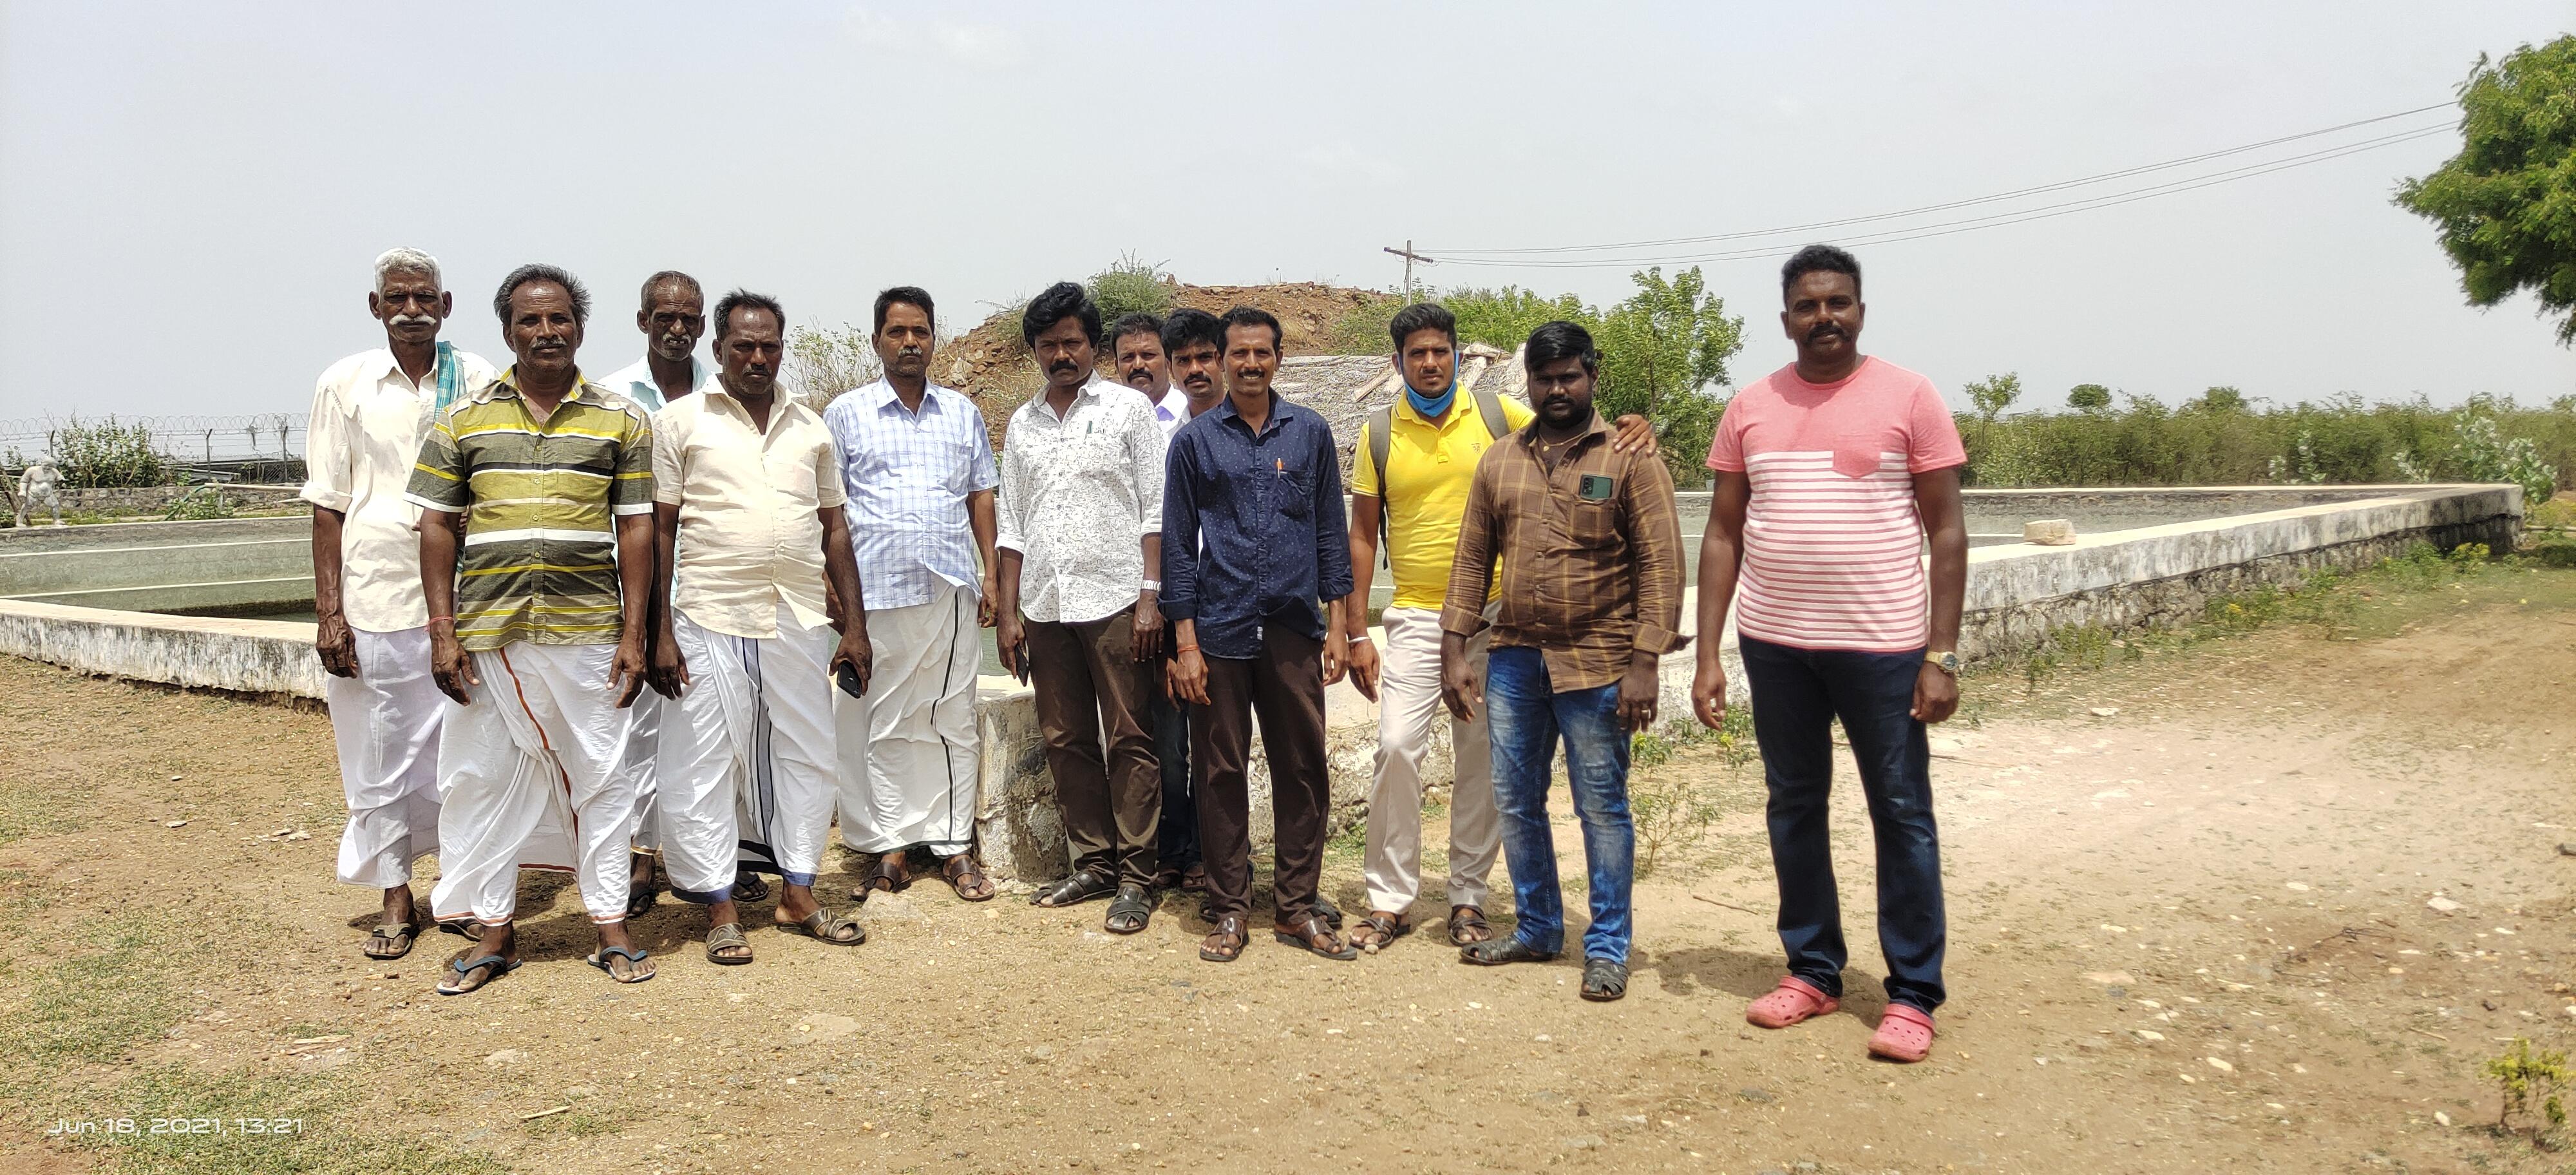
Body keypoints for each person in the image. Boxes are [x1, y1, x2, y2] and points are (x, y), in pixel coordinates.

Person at [1689, 244, 1966, 1064]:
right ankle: (1812, 970)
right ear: (1786, 320)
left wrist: (1942, 654)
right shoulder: (1750, 406)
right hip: (1775, 646)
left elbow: (1948, 531)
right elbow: (1723, 532)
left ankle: (1912, 992)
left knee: (1900, 810)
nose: (1824, 318)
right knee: (1794, 805)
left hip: (1883, 649)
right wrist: (1707, 653)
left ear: (1860, 311)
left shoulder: (1910, 397)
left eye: (1838, 303)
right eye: (1808, 306)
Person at [1342, 303, 1661, 953]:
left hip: (1499, 619)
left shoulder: (1496, 417)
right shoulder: (1377, 434)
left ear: (1458, 356)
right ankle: (1390, 898)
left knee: (1481, 760)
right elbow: (1361, 536)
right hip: (1417, 616)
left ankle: (1467, 897)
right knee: (1396, 748)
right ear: (1397, 362)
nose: (1430, 363)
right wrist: (1354, 631)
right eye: (1416, 353)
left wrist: (1632, 427)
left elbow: (1568, 422)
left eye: (1441, 351)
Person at [410, 263, 659, 993]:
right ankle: (495, 930)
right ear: (508, 330)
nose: (546, 332)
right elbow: (436, 527)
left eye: (559, 319)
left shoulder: (621, 420)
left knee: (603, 777)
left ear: (579, 328)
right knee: (483, 780)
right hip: (490, 634)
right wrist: (441, 630)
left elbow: (637, 530)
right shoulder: (461, 420)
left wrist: (636, 634)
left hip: (590, 631)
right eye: (530, 320)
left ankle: (610, 924)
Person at [1439, 320, 1688, 1003]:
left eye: (1569, 377)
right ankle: (1539, 928)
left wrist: (1645, 663)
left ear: (1592, 377)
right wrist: (1453, 650)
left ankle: (1606, 948)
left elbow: (1662, 564)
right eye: (1544, 378)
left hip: (1599, 662)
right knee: (1516, 801)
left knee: (1601, 807)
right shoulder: (1500, 460)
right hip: (1516, 657)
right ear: (1529, 382)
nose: (1556, 389)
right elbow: (1471, 560)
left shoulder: (1631, 458)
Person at [648, 291, 875, 963]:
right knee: (703, 762)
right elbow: (660, 529)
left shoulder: (810, 427)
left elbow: (835, 529)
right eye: (743, 346)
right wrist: (658, 631)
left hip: (797, 615)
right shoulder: (680, 421)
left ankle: (798, 891)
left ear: (781, 350)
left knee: (809, 753)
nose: (756, 358)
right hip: (707, 613)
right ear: (718, 348)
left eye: (769, 346)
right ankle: (720, 907)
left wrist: (855, 628)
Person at [303, 246, 497, 960]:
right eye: (397, 298)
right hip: (377, 590)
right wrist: (330, 613)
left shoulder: (478, 378)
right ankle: (394, 890)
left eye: (424, 298)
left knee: (466, 745)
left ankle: (460, 887)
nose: (411, 310)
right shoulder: (344, 383)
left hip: (469, 590)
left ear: (445, 306)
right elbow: (328, 504)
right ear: (376, 307)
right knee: (378, 745)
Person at [1162, 305, 1362, 963]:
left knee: (1302, 768)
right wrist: (1185, 644)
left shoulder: (1309, 433)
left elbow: (1331, 534)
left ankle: (1296, 907)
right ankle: (1229, 908)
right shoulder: (1194, 443)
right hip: (1217, 631)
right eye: (1238, 354)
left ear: (1279, 359)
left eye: (1262, 353)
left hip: (1292, 629)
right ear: (1221, 361)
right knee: (1220, 772)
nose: (1250, 364)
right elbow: (1179, 551)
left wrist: (1340, 627)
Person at [996, 285, 1167, 933]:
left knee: (1129, 737)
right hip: (1046, 603)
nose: (1061, 355)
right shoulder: (1023, 423)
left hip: (1117, 599)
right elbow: (1012, 522)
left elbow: (1155, 508)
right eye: (1048, 345)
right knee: (1065, 738)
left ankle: (1138, 876)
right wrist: (1008, 613)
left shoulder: (1128, 410)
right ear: (1035, 351)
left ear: (1093, 345)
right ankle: (1093, 863)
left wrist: (1150, 595)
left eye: (1072, 342)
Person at [824, 286, 1003, 903]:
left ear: (933, 339)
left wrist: (991, 574)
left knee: (949, 715)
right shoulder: (846, 413)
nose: (909, 343)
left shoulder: (961, 412)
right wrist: (832, 588)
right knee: (876, 719)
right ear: (877, 340)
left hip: (948, 584)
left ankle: (952, 845)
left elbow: (981, 495)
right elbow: (830, 509)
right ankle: (890, 845)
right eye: (897, 332)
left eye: (920, 332)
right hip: (873, 590)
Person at [600, 271, 722, 919]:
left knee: (711, 724)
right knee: (640, 725)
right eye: (665, 317)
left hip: (709, 579)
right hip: (633, 581)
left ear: (703, 325)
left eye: (689, 319)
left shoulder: (723, 392)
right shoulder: (611, 396)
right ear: (643, 320)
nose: (677, 329)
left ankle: (716, 855)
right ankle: (641, 855)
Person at [1136, 307, 1230, 893]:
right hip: (1178, 607)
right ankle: (1175, 847)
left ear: (1223, 359)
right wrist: (1171, 624)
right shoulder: (1161, 436)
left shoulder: (1251, 427)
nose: (1197, 370)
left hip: (1233, 606)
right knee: (1170, 741)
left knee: (1221, 741)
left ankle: (1214, 854)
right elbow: (1164, 536)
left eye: (1206, 357)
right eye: (1185, 360)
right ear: (1173, 368)